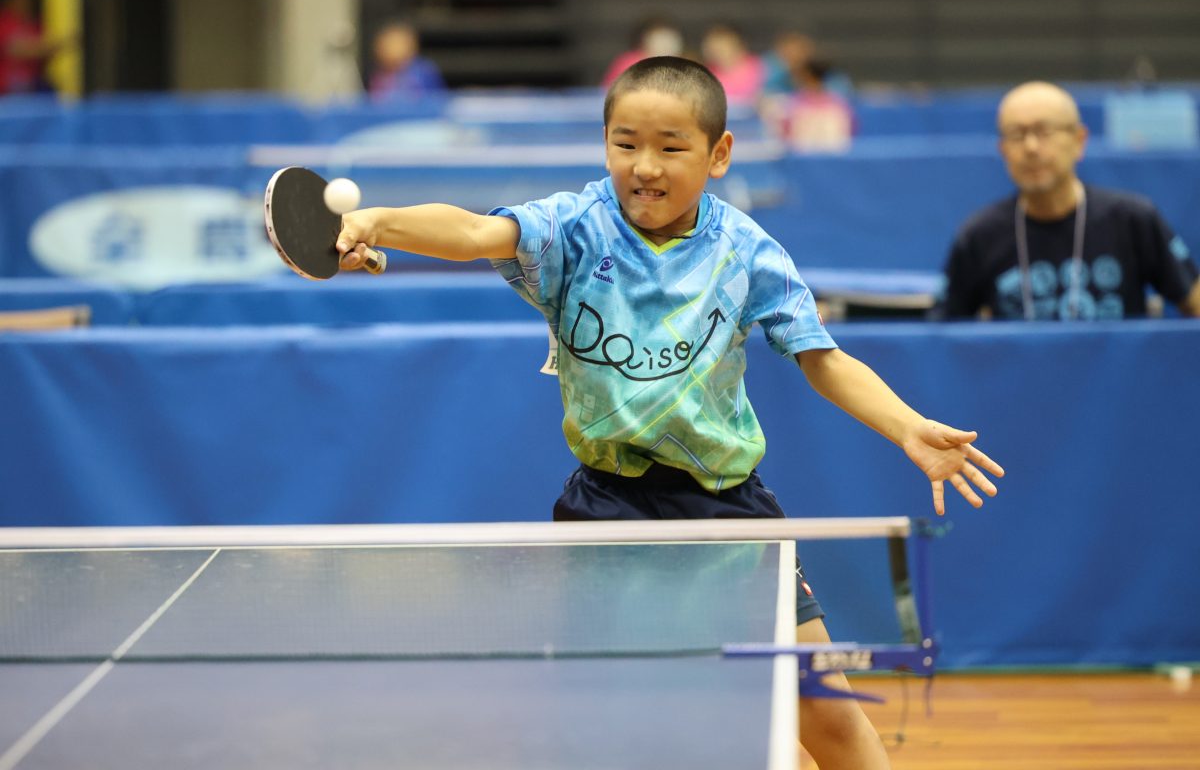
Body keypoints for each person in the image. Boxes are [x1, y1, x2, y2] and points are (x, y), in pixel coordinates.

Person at [336, 57, 1004, 769]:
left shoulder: (746, 250)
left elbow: (821, 357)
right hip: (606, 508)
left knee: (827, 714)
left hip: (726, 511)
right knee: (615, 723)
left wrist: (906, 425)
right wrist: (379, 220)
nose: (644, 167)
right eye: (625, 145)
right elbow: (473, 234)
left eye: (670, 147)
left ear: (718, 155)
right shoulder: (575, 227)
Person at [936, 81, 1200, 320]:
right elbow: (942, 338)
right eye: (1016, 134)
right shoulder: (978, 236)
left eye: (1044, 131)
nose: (1030, 147)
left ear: (1079, 141)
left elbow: (1193, 301)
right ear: (1003, 150)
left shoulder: (1133, 219)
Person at [0, 0, 71, 95]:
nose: (24, 3)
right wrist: (52, 46)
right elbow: (16, 50)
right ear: (10, 0)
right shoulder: (4, 22)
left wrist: (50, 47)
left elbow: (46, 54)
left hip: (33, 86)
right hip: (7, 89)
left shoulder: (35, 24)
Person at [367, 20, 444, 101]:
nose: (391, 49)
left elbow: (438, 99)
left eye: (396, 44)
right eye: (384, 46)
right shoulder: (378, 76)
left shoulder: (424, 72)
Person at [601, 15, 684, 87]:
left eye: (669, 37)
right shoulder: (628, 63)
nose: (666, 43)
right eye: (660, 37)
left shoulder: (682, 64)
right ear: (643, 40)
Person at [699, 23, 764, 106]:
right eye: (713, 48)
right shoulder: (707, 74)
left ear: (739, 46)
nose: (718, 52)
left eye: (723, 47)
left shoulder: (758, 68)